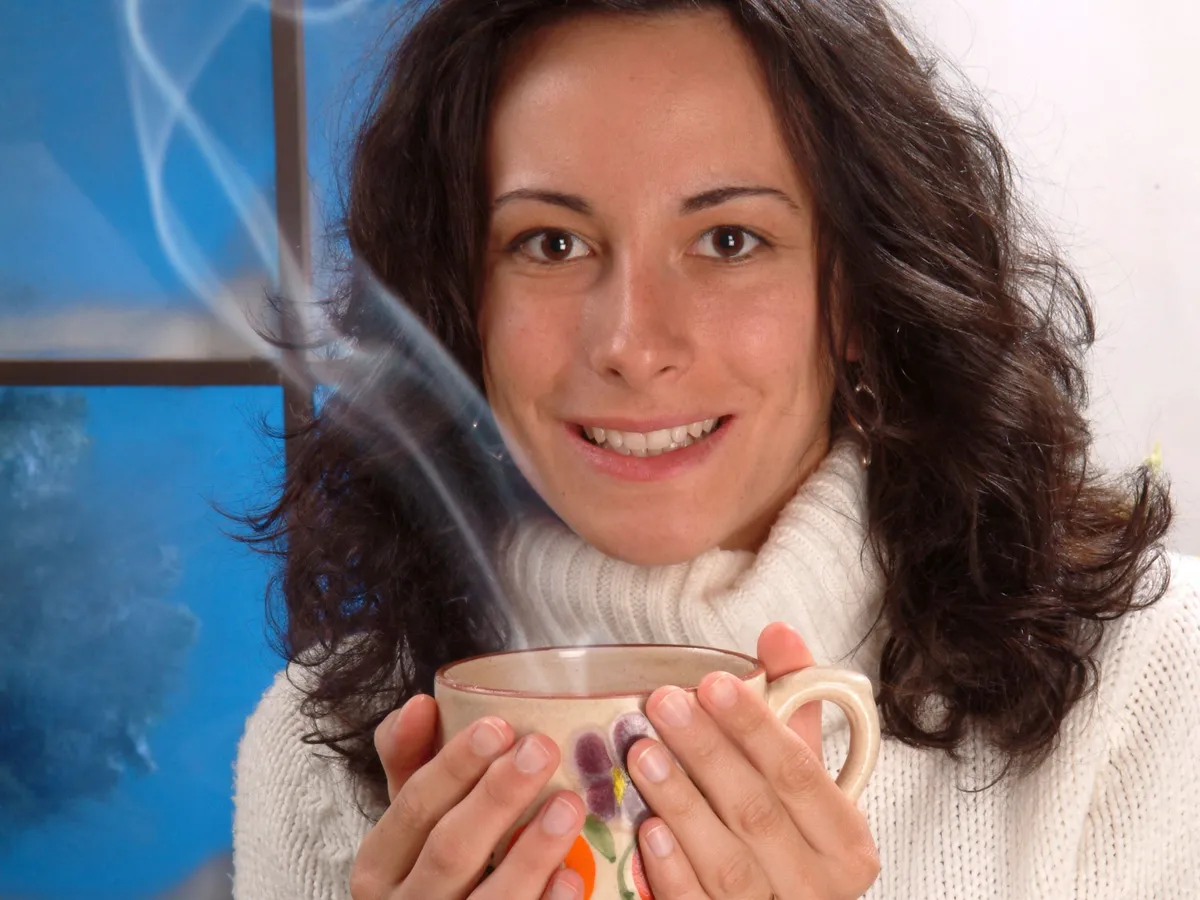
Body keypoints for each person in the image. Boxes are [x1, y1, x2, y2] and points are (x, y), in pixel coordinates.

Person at [230, 0, 1200, 897]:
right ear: (455, 306)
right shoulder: (315, 756)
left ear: (858, 295)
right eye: (551, 244)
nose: (633, 345)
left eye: (730, 240)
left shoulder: (1156, 695)